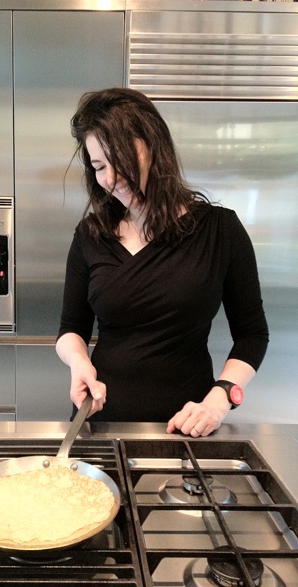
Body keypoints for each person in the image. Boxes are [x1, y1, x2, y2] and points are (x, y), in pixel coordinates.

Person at [56, 87, 269, 437]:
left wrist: (219, 399)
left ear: (153, 145)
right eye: (98, 166)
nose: (109, 179)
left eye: (118, 159)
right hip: (100, 424)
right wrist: (78, 362)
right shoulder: (91, 234)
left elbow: (252, 334)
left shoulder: (220, 230)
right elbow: (71, 329)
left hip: (187, 427)